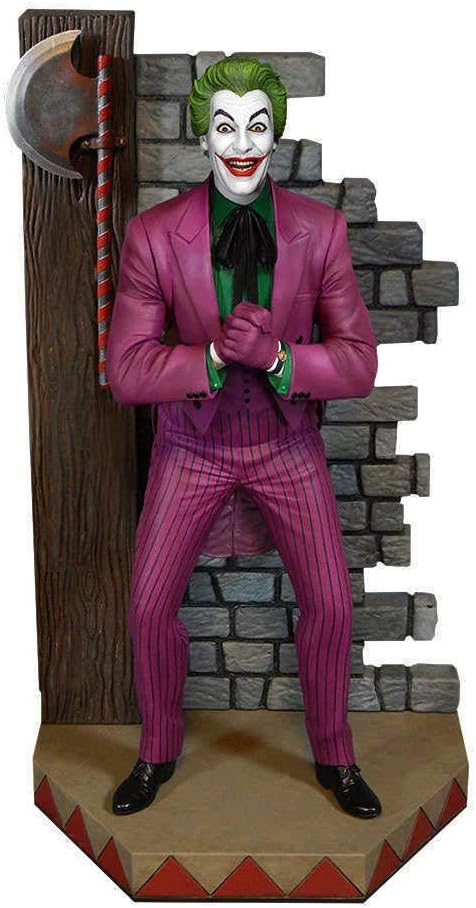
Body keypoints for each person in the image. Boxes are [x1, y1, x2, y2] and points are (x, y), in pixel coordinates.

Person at [106, 55, 381, 819]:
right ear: (203, 136)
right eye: (225, 126)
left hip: (287, 445)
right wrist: (214, 358)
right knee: (147, 606)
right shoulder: (154, 236)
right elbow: (126, 370)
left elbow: (359, 363)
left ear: (275, 136)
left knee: (332, 604)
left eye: (257, 126)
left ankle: (335, 755)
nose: (241, 143)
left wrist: (282, 358)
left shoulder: (319, 231)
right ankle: (157, 750)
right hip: (191, 445)